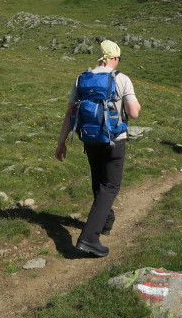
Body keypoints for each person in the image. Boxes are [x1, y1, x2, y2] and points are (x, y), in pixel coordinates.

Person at [54, 40, 141, 257]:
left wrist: (61, 142)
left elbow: (70, 113)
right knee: (110, 186)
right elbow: (134, 113)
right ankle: (89, 238)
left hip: (89, 139)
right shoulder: (121, 79)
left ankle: (105, 222)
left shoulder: (82, 78)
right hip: (114, 140)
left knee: (98, 181)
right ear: (115, 58)